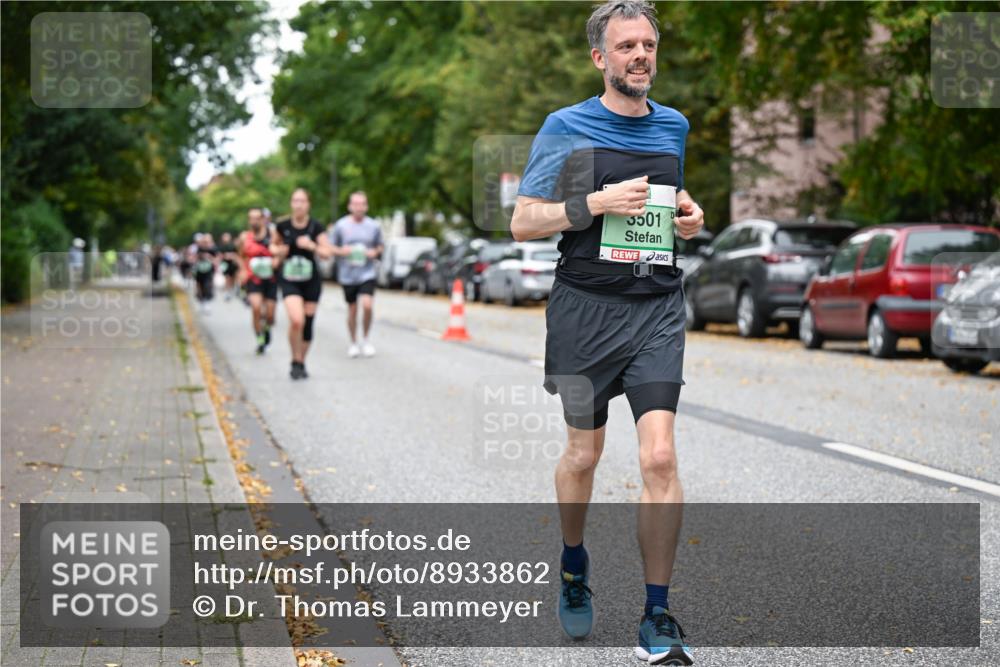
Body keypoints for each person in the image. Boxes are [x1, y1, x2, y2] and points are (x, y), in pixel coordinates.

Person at [509, 2, 705, 664]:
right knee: (584, 457)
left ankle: (657, 614)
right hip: (585, 310)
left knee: (658, 458)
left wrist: (688, 216)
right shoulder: (564, 127)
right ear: (601, 57)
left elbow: (671, 201)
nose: (641, 55)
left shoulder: (673, 125)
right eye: (627, 46)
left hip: (655, 306)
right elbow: (523, 222)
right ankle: (572, 561)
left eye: (649, 44)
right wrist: (592, 203)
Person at [270, 188, 334, 379]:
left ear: (308, 204)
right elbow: (272, 246)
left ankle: (301, 362)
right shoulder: (282, 225)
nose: (298, 205)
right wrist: (278, 251)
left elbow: (327, 252)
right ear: (291, 203)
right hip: (290, 279)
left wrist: (312, 245)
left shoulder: (316, 227)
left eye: (302, 201)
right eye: (295, 201)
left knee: (308, 324)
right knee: (297, 320)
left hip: (311, 280)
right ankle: (295, 359)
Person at [331, 191, 384, 358]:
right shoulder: (340, 226)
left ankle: (366, 340)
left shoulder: (373, 226)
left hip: (367, 272)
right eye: (356, 204)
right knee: (352, 309)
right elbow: (331, 247)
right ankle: (353, 342)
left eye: (362, 204)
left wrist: (374, 252)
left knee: (367, 305)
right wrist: (342, 251)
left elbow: (380, 247)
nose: (359, 207)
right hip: (347, 274)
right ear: (350, 206)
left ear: (366, 206)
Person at [238, 207, 279, 354]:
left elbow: (280, 251)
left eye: (257, 218)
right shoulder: (245, 237)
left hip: (270, 278)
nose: (254, 221)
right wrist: (242, 270)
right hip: (253, 278)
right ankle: (260, 339)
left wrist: (276, 260)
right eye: (251, 218)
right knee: (256, 308)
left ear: (263, 219)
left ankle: (266, 328)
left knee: (270, 315)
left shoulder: (272, 234)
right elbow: (241, 256)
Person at [193, 233, 219, 313]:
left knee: (207, 286)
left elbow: (216, 260)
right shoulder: (199, 248)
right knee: (200, 287)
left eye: (208, 241)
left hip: (209, 271)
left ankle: (207, 302)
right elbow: (195, 258)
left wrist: (209, 257)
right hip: (199, 271)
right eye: (205, 241)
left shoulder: (213, 249)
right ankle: (202, 301)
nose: (206, 242)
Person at [218, 232, 240, 301]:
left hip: (232, 264)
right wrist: (225, 256)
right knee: (227, 278)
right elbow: (219, 255)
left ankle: (232, 289)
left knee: (233, 278)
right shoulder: (221, 246)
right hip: (225, 264)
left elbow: (237, 254)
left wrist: (232, 256)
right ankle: (227, 292)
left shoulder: (233, 246)